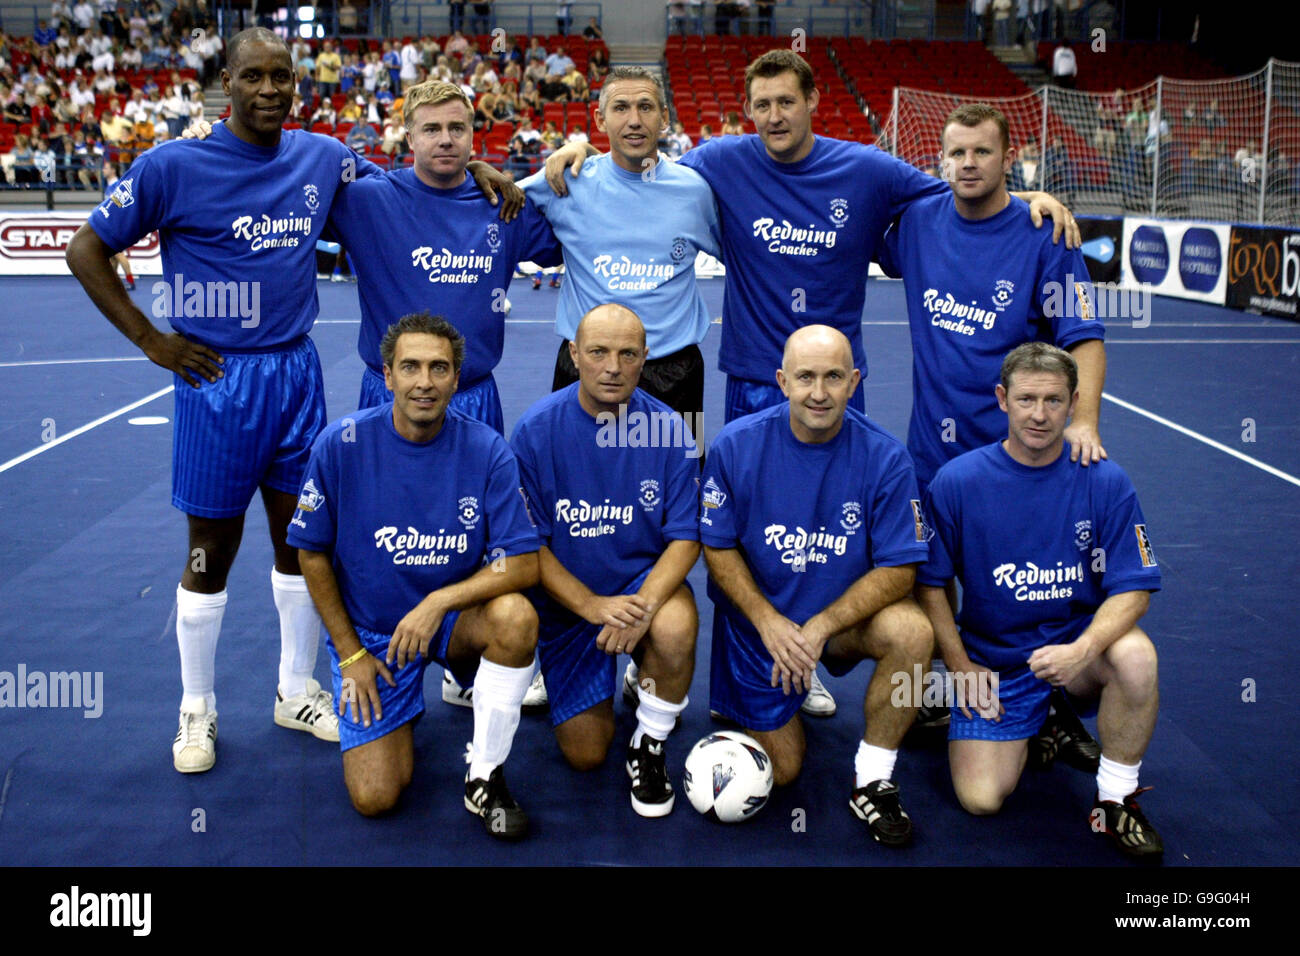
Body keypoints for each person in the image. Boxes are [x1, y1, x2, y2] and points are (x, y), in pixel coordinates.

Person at [64, 27, 380, 773]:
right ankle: (196, 711)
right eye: (253, 77)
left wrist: (491, 180)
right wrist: (152, 340)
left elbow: (404, 194)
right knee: (210, 554)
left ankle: (294, 689)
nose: (269, 90)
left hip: (297, 374)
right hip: (217, 381)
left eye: (283, 77)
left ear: (297, 84)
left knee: (302, 542)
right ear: (226, 84)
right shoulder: (173, 163)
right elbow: (86, 249)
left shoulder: (322, 156)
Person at [290, 313, 541, 837]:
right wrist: (351, 653)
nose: (424, 381)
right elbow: (310, 554)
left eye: (438, 368)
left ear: (455, 378)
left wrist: (438, 603)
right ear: (388, 376)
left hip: (450, 623)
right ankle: (400, 709)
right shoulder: (340, 445)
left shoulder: (488, 449)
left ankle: (485, 774)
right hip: (373, 636)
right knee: (377, 797)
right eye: (410, 367)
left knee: (516, 618)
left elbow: (522, 561)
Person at [917, 343, 1163, 859]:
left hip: (1074, 654)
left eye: (1053, 400)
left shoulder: (1106, 481)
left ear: (1074, 402)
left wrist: (1082, 649)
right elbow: (931, 584)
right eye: (1027, 399)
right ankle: (1041, 723)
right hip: (994, 661)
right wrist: (959, 665)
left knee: (1136, 655)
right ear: (1002, 399)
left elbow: (1134, 587)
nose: (1040, 414)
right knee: (981, 799)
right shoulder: (957, 482)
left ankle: (1116, 798)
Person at [699, 325, 934, 846]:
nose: (819, 393)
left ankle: (872, 778)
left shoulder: (888, 458)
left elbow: (901, 568)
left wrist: (822, 626)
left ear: (855, 381)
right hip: (763, 625)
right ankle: (747, 696)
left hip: (839, 622)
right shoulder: (735, 446)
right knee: (782, 771)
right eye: (805, 377)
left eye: (833, 377)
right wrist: (767, 620)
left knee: (914, 633)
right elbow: (716, 545)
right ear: (782, 381)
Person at [511, 305, 699, 817]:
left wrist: (640, 606)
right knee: (587, 755)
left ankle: (650, 742)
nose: (612, 367)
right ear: (574, 355)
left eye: (627, 354)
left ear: (645, 359)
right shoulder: (534, 431)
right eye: (597, 352)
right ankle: (577, 673)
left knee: (677, 620)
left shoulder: (672, 431)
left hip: (639, 592)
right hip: (571, 607)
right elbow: (530, 546)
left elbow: (686, 539)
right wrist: (592, 606)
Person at [877, 103, 1106, 496]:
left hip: (1018, 457)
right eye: (957, 153)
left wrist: (1084, 422)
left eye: (982, 152)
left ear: (1008, 159)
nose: (968, 163)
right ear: (942, 160)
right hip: (930, 459)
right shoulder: (917, 222)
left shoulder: (1049, 238)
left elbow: (1084, 338)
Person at [519, 66, 721, 433]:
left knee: (678, 485)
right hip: (585, 369)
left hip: (673, 374)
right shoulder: (566, 180)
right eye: (621, 107)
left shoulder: (695, 191)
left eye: (646, 107)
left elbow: (748, 258)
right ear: (599, 118)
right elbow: (492, 198)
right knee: (573, 485)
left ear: (664, 118)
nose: (634, 120)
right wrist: (484, 171)